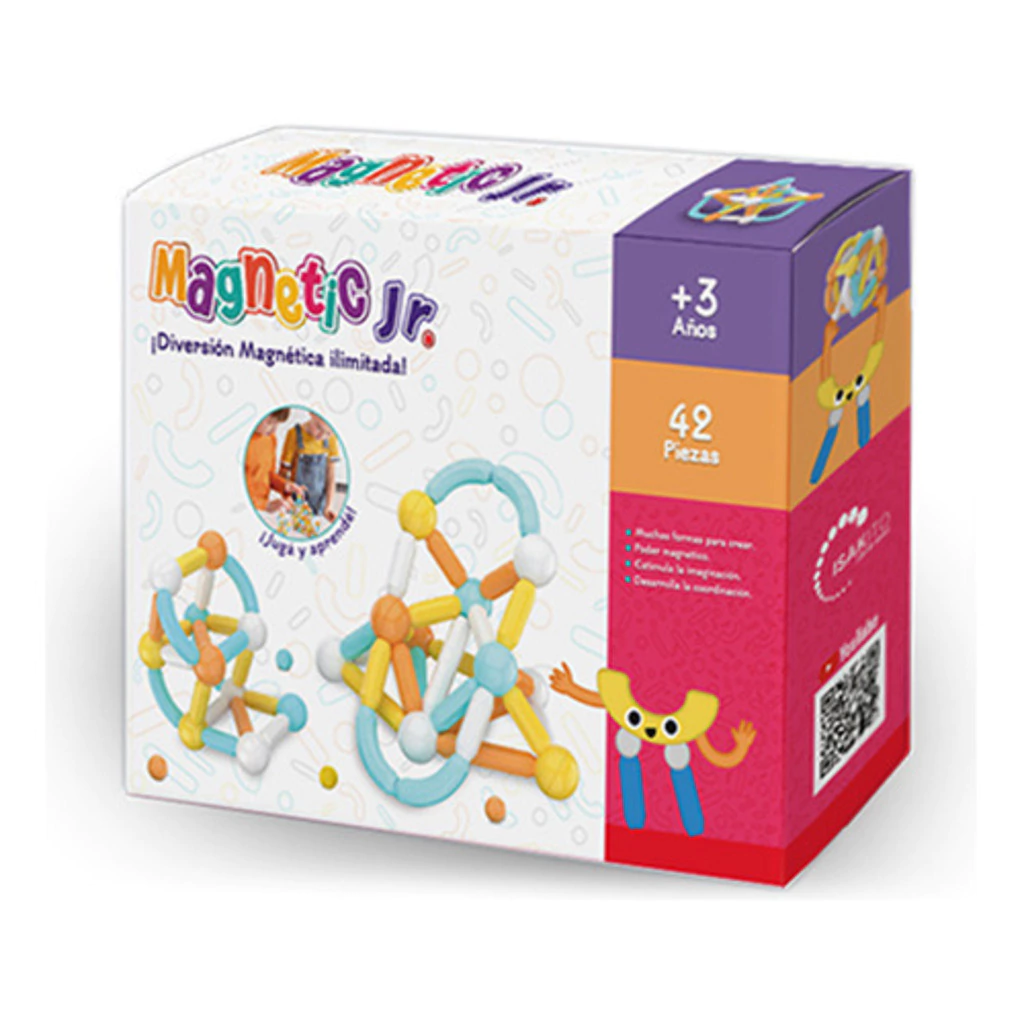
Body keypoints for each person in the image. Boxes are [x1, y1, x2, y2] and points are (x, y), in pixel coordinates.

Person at [280, 412, 341, 521]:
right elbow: (283, 473)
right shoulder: (294, 434)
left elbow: (331, 477)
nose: (321, 436)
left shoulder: (332, 438)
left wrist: (327, 507)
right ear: (312, 414)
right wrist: (287, 499)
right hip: (296, 502)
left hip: (320, 504)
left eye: (328, 433)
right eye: (319, 428)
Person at [245, 409, 306, 513]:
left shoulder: (270, 438)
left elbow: (269, 474)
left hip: (262, 508)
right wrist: (264, 505)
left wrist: (284, 485)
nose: (274, 430)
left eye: (277, 423)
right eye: (269, 422)